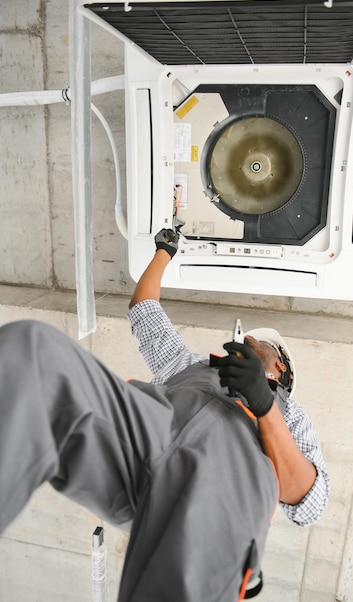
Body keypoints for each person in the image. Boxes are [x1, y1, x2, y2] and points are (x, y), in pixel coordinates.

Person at [0, 228, 329, 602]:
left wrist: (265, 406)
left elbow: (309, 500)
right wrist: (164, 252)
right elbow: (144, 310)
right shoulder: (189, 365)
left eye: (259, 345)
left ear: (281, 370)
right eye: (245, 340)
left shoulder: (295, 418)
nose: (248, 341)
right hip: (146, 433)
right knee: (35, 355)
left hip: (222, 481)